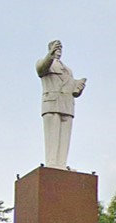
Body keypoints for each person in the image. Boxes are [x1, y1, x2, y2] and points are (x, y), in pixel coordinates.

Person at [36, 39, 86, 168]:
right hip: (52, 103)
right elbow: (41, 69)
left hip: (67, 105)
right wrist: (50, 56)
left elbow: (73, 90)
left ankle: (62, 164)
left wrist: (79, 86)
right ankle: (51, 163)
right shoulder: (45, 63)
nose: (58, 51)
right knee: (52, 136)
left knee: (65, 137)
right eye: (56, 48)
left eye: (60, 49)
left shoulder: (68, 70)